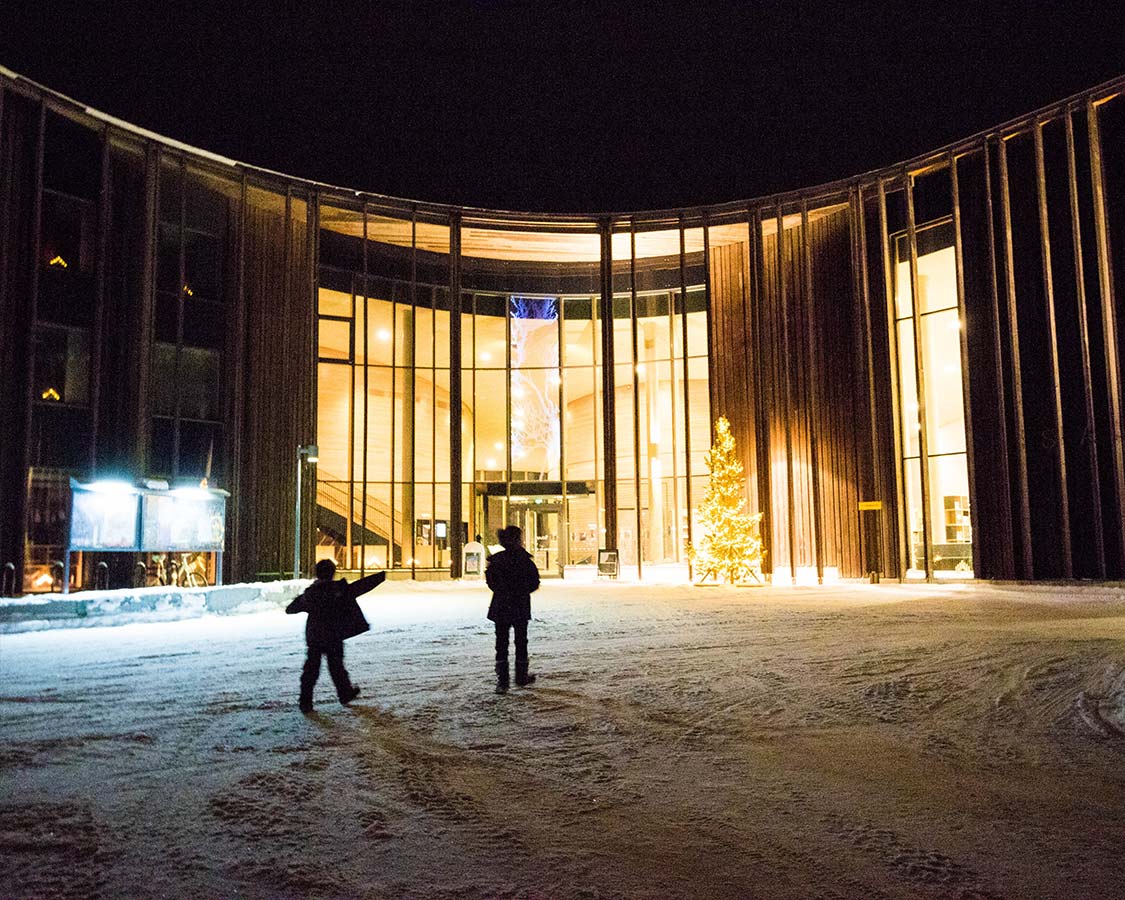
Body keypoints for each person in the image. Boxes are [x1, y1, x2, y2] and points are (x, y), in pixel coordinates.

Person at [285, 559, 384, 713]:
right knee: (337, 668)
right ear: (332, 573)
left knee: (311, 670)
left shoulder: (311, 593)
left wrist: (304, 599)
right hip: (334, 635)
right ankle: (345, 694)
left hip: (315, 637)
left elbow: (291, 609)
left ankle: (305, 701)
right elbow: (359, 587)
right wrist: (379, 577)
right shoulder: (339, 590)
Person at [485, 525, 541, 694]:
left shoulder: (497, 560)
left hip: (501, 605)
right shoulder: (524, 560)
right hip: (519, 605)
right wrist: (521, 591)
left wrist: (503, 591)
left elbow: (491, 582)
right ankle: (521, 676)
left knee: (501, 643)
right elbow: (534, 582)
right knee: (521, 641)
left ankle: (503, 681)